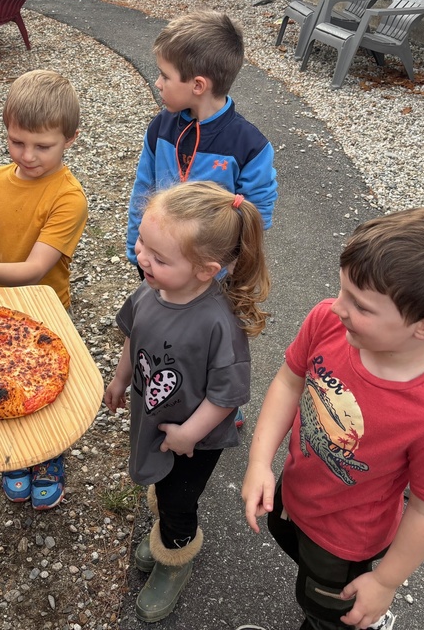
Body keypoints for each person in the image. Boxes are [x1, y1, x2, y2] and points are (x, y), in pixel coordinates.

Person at [241, 207, 424, 630]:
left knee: (328, 611)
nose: (337, 307)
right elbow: (290, 382)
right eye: (341, 290)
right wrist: (258, 461)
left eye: (359, 305)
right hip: (296, 494)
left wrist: (384, 580)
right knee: (293, 552)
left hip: (347, 540)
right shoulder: (328, 319)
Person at [104, 180, 271, 623]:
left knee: (179, 500)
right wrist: (121, 380)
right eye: (142, 243)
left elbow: (228, 395)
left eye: (159, 257)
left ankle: (175, 558)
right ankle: (165, 533)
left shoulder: (219, 324)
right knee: (162, 487)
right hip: (154, 417)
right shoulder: (147, 291)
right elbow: (131, 339)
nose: (142, 258)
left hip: (195, 439)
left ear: (205, 269)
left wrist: (188, 434)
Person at [125, 10, 278, 429]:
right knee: (166, 321)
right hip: (166, 256)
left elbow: (258, 209)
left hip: (215, 270)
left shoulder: (248, 144)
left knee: (214, 337)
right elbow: (144, 187)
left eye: (163, 75)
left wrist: (231, 265)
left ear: (197, 85)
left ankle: (222, 402)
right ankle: (160, 378)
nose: (157, 83)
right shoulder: (161, 128)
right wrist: (134, 244)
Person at [0, 69, 88, 511]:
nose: (27, 156)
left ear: (71, 139)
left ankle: (47, 459)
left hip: (44, 312)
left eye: (43, 146)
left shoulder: (69, 198)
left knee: (43, 390)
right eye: (16, 142)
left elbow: (35, 268)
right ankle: (16, 456)